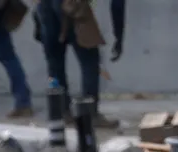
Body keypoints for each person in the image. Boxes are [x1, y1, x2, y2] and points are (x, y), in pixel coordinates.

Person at [33, 0, 125, 128]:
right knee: (90, 62)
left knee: (55, 64)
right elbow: (118, 4)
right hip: (72, 8)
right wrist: (119, 37)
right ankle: (89, 114)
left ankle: (62, 112)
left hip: (45, 7)